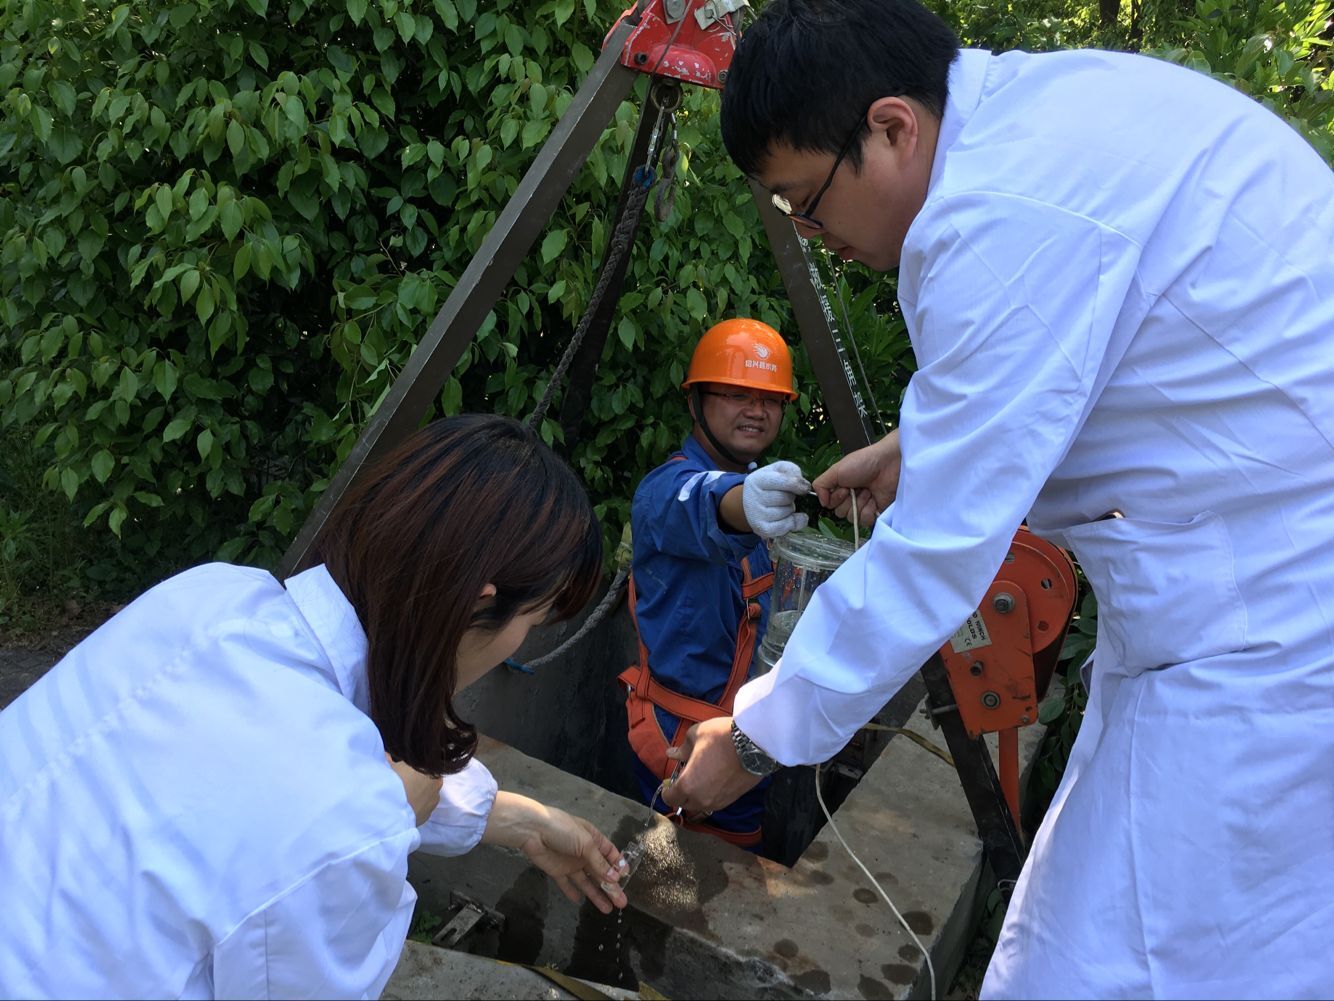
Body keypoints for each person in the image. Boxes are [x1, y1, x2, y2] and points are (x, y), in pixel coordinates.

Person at [660, 1, 1334, 997]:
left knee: (1113, 965)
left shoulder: (993, 218)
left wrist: (761, 735)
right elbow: (1105, 353)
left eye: (805, 201)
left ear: (891, 128)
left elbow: (936, 552)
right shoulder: (1044, 124)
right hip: (1237, 594)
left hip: (1268, 634)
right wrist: (919, 448)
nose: (810, 233)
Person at [0, 414, 629, 1000]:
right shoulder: (348, 819)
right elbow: (329, 824)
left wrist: (521, 822)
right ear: (475, 603)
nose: (523, 641)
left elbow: (277, 796)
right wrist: (386, 821)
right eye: (534, 620)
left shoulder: (210, 596)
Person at [620, 317, 809, 850]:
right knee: (682, 875)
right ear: (695, 401)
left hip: (741, 739)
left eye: (770, 399)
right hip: (685, 746)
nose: (756, 410)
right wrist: (741, 502)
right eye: (736, 394)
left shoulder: (763, 490)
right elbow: (705, 500)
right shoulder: (667, 491)